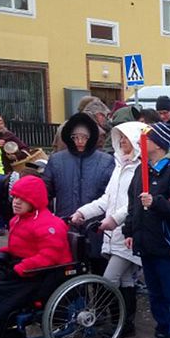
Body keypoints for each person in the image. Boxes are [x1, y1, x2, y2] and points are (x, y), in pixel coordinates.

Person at [71, 122, 148, 338]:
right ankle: (124, 324)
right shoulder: (119, 166)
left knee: (109, 279)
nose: (122, 142)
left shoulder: (140, 169)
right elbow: (107, 199)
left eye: (126, 138)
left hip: (127, 234)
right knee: (125, 281)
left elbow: (133, 203)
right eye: (119, 138)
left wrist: (114, 219)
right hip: (112, 233)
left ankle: (107, 319)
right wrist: (83, 213)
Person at [0, 176, 72, 338]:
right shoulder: (18, 220)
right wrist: (3, 254)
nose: (16, 202)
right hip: (22, 270)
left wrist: (20, 268)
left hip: (42, 276)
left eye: (21, 199)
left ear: (34, 200)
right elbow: (18, 247)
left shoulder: (50, 224)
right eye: (15, 197)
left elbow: (49, 258)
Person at [123, 122, 170, 338]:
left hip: (166, 243)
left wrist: (157, 202)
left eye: (146, 139)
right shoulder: (142, 170)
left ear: (159, 144)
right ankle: (162, 332)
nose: (142, 143)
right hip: (146, 242)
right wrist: (129, 231)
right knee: (155, 293)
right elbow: (133, 205)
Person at [43, 113, 115, 274]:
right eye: (75, 137)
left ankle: (104, 299)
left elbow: (111, 196)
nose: (80, 142)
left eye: (84, 137)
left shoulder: (106, 161)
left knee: (101, 275)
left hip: (97, 228)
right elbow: (45, 193)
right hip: (66, 225)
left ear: (92, 137)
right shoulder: (56, 160)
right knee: (71, 274)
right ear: (69, 137)